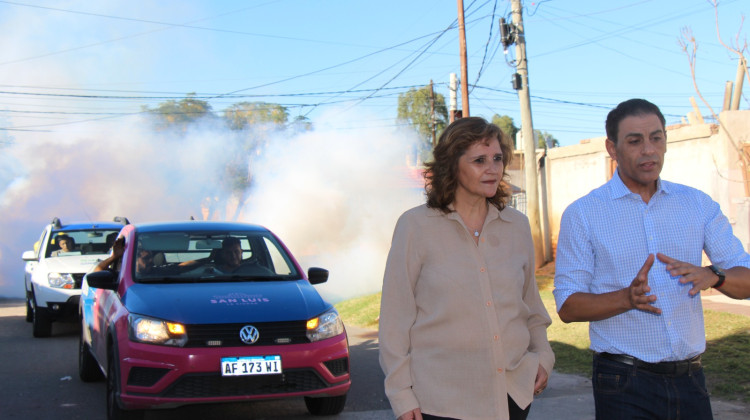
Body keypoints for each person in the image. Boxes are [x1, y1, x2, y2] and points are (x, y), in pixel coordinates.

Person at [553, 98, 750, 420]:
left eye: (656, 138)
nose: (648, 150)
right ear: (612, 148)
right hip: (623, 383)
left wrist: (716, 275)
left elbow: (747, 278)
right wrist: (627, 298)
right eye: (634, 141)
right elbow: (568, 306)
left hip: (690, 381)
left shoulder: (697, 204)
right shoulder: (584, 214)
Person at [379, 117, 555, 420]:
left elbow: (530, 305)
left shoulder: (517, 226)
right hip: (441, 403)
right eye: (479, 160)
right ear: (452, 165)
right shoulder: (415, 226)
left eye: (498, 158)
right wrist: (401, 394)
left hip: (513, 395)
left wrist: (544, 357)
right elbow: (395, 320)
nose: (493, 169)